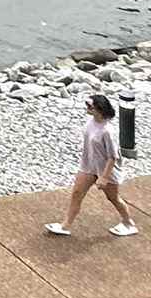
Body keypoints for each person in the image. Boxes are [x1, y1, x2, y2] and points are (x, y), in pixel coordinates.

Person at [48, 94, 136, 237]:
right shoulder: (90, 122)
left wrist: (104, 178)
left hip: (105, 169)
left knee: (113, 198)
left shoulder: (108, 131)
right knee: (77, 194)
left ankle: (128, 223)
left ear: (99, 109)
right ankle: (65, 225)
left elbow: (113, 157)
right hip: (88, 166)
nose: (87, 108)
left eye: (90, 106)